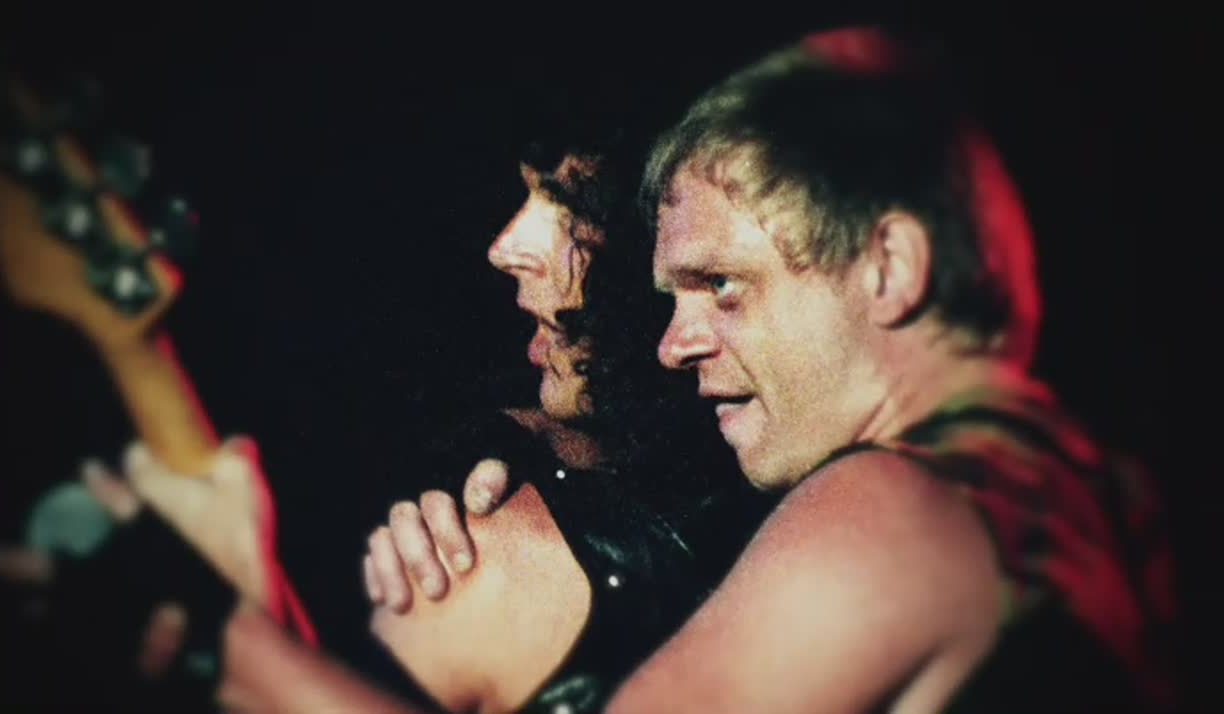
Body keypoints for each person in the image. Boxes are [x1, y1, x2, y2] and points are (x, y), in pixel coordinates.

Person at [373, 24, 1179, 714]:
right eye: (674, 297)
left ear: (890, 267)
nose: (672, 344)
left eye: (722, 284)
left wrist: (279, 649)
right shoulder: (1093, 500)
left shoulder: (892, 505)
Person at [121, 83, 777, 713]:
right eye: (529, 194)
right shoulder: (499, 476)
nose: (505, 249)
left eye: (567, 203)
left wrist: (242, 629)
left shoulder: (785, 513)